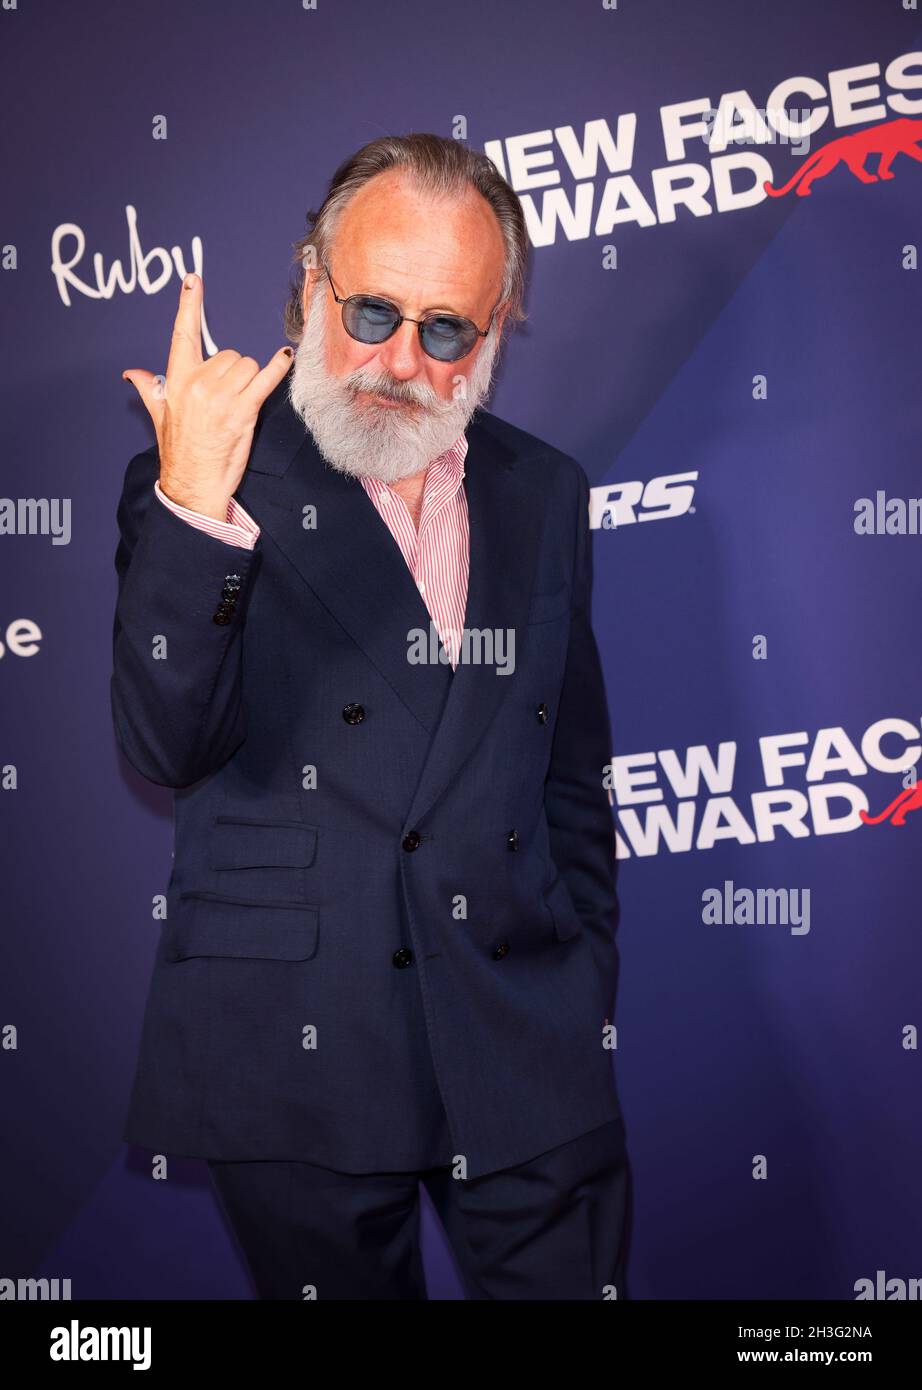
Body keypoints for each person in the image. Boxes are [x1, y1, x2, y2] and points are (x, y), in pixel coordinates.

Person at [113, 132, 629, 1300]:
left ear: (493, 333)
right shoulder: (210, 472)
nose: (402, 359)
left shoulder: (543, 490)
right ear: (309, 285)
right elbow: (161, 742)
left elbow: (567, 777)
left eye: (448, 329)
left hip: (522, 1043)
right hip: (295, 1043)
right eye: (372, 311)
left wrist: (577, 986)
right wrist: (197, 506)